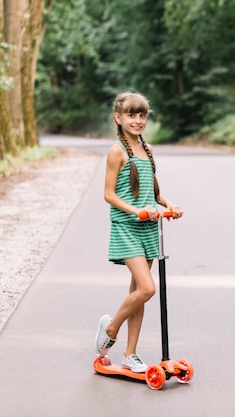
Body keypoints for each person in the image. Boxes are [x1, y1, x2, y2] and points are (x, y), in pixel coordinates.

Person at [95, 92, 183, 372]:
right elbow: (109, 194)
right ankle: (110, 329)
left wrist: (168, 204)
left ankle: (130, 354)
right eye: (131, 115)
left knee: (137, 291)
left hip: (147, 228)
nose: (138, 120)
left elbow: (151, 191)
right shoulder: (116, 151)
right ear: (118, 119)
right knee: (147, 288)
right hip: (126, 227)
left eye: (142, 115)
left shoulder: (146, 149)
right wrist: (136, 211)